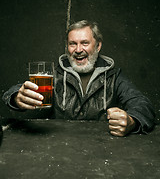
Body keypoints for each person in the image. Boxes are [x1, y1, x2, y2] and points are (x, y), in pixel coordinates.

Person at [2, 20, 155, 137]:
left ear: (98, 46)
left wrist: (131, 121)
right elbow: (16, 90)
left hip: (103, 148)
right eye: (72, 44)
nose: (78, 50)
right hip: (59, 146)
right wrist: (17, 97)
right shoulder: (55, 73)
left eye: (85, 43)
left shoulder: (114, 76)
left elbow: (142, 104)